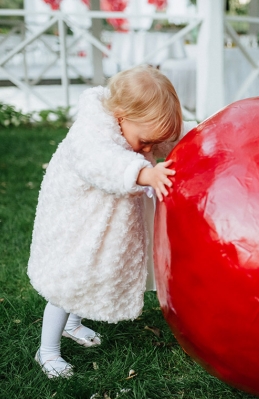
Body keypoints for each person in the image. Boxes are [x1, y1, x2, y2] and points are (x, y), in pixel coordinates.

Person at [28, 65, 196, 378]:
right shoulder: (91, 132)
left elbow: (166, 141)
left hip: (99, 224)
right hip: (76, 222)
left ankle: (73, 325)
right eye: (144, 142)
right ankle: (47, 351)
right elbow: (100, 161)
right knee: (67, 284)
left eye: (151, 145)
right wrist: (143, 172)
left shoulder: (133, 124)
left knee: (90, 272)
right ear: (120, 114)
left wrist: (199, 138)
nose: (148, 150)